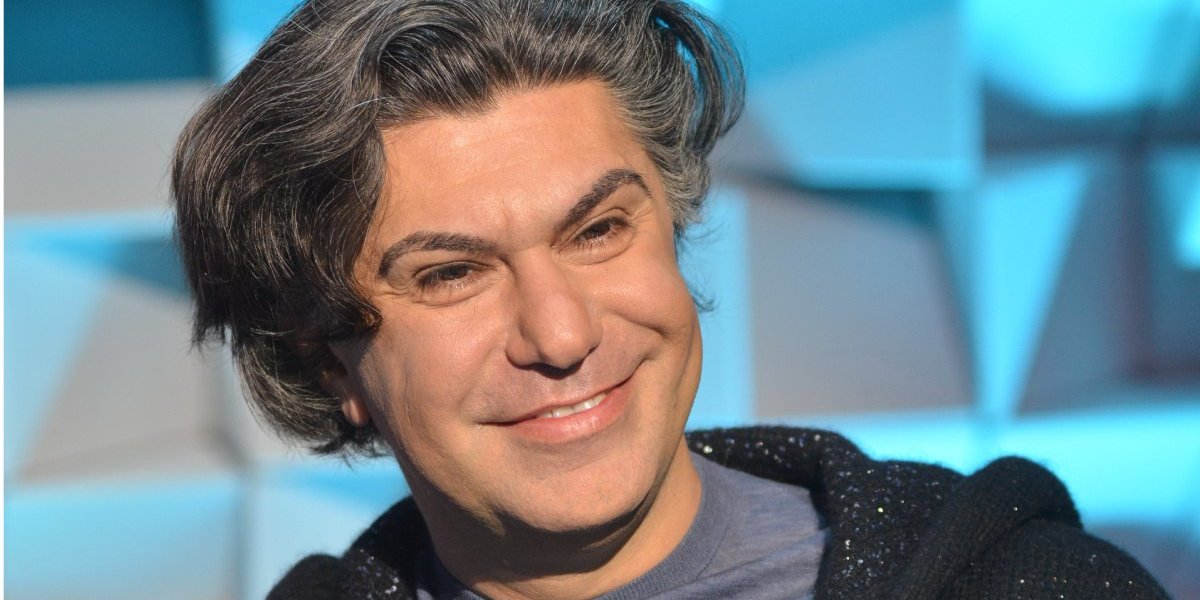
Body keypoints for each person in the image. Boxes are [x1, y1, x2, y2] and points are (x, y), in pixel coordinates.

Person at [172, 0, 1169, 598]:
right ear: (324, 362)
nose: (561, 333)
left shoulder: (1024, 583)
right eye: (451, 274)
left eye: (598, 230)